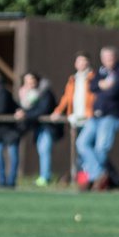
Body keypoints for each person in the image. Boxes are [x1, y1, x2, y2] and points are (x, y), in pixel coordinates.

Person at [77, 46, 119, 191]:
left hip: (110, 117)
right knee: (82, 144)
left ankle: (91, 179)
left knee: (100, 149)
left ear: (115, 57)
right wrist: (102, 85)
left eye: (109, 57)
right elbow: (92, 86)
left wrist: (102, 86)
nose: (107, 60)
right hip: (94, 116)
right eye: (104, 58)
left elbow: (113, 92)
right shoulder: (100, 71)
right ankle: (99, 175)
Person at [52, 51, 96, 183]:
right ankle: (81, 177)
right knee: (79, 148)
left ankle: (91, 176)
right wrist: (58, 111)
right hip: (76, 119)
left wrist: (91, 113)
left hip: (89, 118)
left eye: (84, 61)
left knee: (86, 147)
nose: (81, 63)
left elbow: (95, 97)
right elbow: (66, 97)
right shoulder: (73, 79)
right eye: (79, 61)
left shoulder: (93, 77)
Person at [14, 71, 59, 186]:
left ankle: (45, 177)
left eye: (32, 80)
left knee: (44, 150)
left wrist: (26, 114)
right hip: (37, 127)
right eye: (27, 81)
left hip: (48, 127)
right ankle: (44, 176)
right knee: (41, 150)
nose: (30, 83)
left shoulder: (45, 92)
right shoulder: (27, 94)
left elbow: (43, 109)